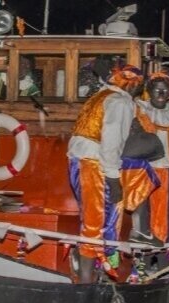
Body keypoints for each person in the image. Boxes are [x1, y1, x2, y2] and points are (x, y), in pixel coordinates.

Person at [67, 64, 144, 282]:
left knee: (92, 220)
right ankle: (86, 280)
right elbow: (112, 143)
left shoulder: (99, 96)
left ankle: (95, 270)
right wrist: (113, 178)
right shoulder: (120, 102)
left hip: (77, 160)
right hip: (94, 164)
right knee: (96, 221)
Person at [132, 72, 169, 246]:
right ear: (150, 91)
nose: (160, 94)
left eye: (164, 91)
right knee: (140, 209)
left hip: (165, 168)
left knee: (162, 213)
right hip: (142, 167)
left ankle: (160, 251)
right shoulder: (139, 109)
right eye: (157, 90)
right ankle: (140, 252)